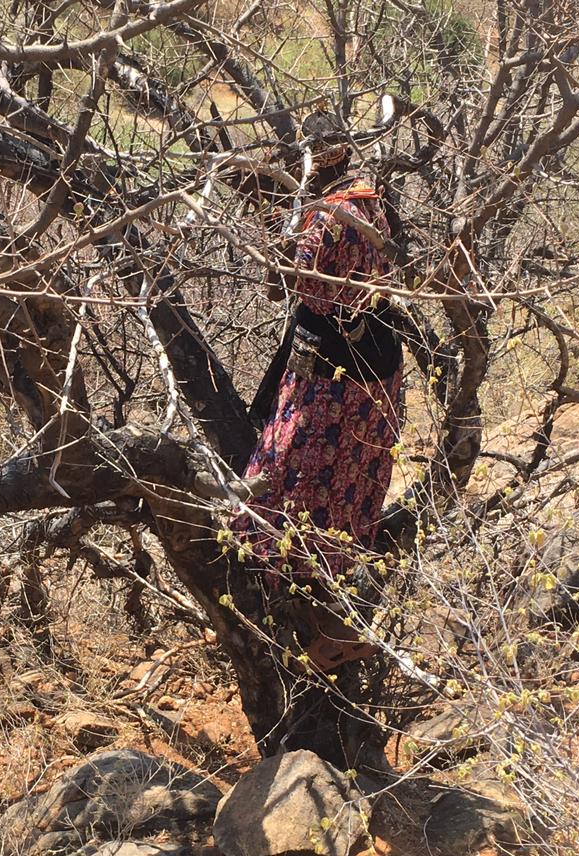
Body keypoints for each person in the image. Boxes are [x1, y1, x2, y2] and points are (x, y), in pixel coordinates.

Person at [233, 113, 406, 673]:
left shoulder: (325, 218)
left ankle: (321, 630)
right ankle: (331, 624)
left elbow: (277, 281)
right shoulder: (374, 202)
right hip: (379, 375)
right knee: (342, 502)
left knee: (280, 493)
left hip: (333, 381)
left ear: (310, 165)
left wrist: (272, 219)